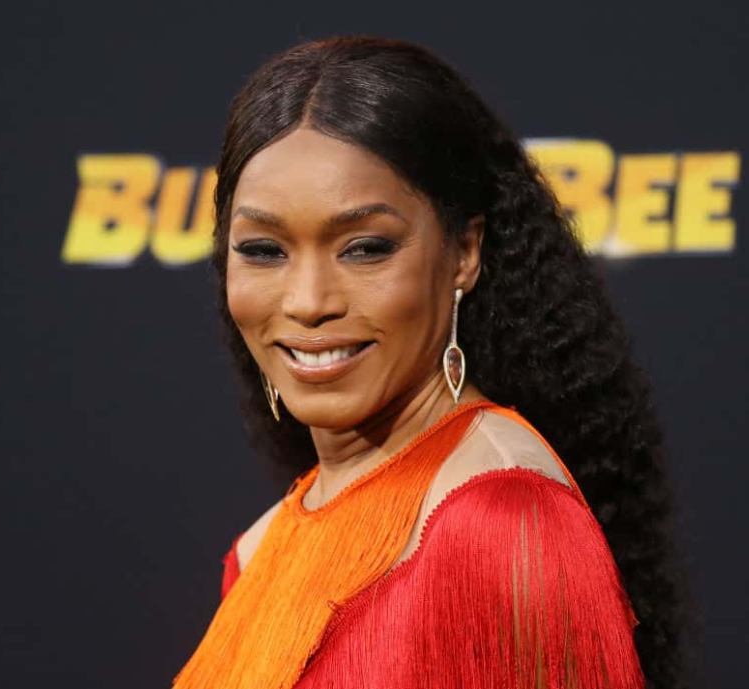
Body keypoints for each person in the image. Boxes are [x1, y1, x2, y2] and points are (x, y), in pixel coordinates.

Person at [173, 35, 688, 689]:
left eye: (365, 248)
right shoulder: (260, 549)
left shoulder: (505, 524)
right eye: (264, 250)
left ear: (464, 252)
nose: (308, 302)